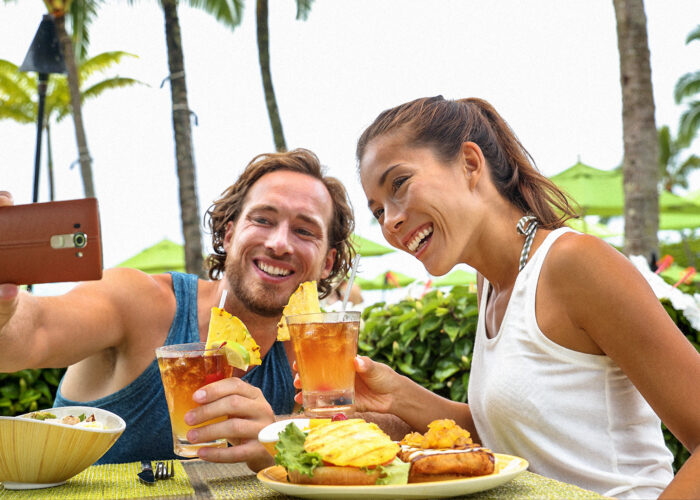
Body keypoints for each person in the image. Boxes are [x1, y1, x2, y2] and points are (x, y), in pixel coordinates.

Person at [340, 96, 699, 498]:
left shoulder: (574, 264)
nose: (390, 221)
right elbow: (510, 438)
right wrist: (396, 393)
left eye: (399, 184)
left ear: (470, 163)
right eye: (377, 212)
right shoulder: (492, 284)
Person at [0, 148, 355, 471]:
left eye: (305, 231)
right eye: (262, 219)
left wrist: (278, 437)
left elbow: (356, 430)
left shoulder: (314, 347)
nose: (279, 243)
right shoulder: (141, 301)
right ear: (229, 236)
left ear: (328, 263)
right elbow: (31, 333)